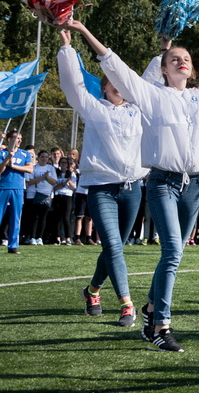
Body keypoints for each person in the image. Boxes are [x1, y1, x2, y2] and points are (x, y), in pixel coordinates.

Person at [63, 15, 199, 352]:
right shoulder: (150, 96)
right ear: (163, 69)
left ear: (192, 70)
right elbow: (115, 66)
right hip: (162, 183)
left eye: (186, 59)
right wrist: (81, 31)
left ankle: (151, 309)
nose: (181, 61)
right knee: (171, 252)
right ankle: (160, 324)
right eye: (173, 59)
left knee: (176, 252)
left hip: (194, 186)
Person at [57, 31, 146, 327]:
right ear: (104, 88)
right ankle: (126, 304)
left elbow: (150, 81)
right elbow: (73, 86)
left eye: (122, 83)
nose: (118, 86)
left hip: (133, 189)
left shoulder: (140, 110)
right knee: (113, 245)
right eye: (112, 83)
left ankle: (92, 290)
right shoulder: (93, 109)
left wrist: (165, 47)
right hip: (101, 189)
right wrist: (67, 49)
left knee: (114, 247)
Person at [0, 130, 34, 253]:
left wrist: (14, 166)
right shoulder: (2, 153)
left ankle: (13, 245)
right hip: (3, 187)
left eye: (20, 138)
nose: (19, 140)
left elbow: (30, 169)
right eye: (16, 138)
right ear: (9, 139)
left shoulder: (24, 154)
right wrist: (7, 158)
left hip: (18, 189)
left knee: (16, 217)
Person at [24, 151, 57, 245]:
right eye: (42, 157)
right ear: (38, 158)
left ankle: (40, 237)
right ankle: (32, 237)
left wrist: (46, 177)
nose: (44, 159)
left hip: (46, 195)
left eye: (46, 157)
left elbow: (54, 182)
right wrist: (42, 177)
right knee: (34, 217)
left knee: (43, 217)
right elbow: (29, 182)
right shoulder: (34, 168)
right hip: (33, 194)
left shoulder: (51, 168)